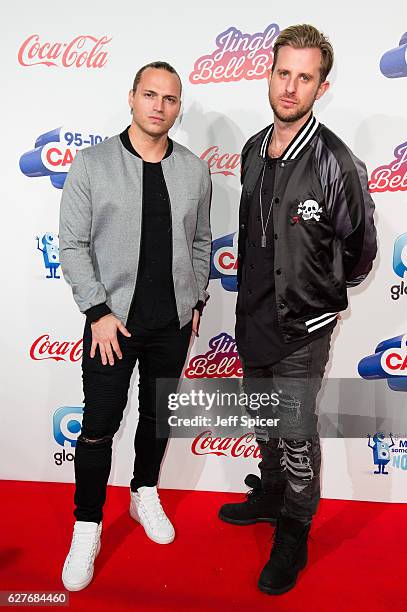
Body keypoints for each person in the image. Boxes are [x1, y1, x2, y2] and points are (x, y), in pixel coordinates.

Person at [219, 24, 377, 595]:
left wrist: (320, 296)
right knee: (265, 417)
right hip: (252, 314)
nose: (291, 87)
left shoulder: (338, 161)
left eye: (304, 78)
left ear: (321, 86)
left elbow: (361, 252)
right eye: (283, 73)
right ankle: (269, 493)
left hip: (303, 326)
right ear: (270, 74)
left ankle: (296, 526)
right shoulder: (252, 148)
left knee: (294, 429)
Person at [59, 61, 211, 591]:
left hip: (171, 322)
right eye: (150, 95)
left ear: (177, 107)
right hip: (111, 325)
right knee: (99, 425)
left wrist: (197, 300)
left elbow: (199, 242)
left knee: (156, 418)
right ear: (131, 98)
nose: (159, 106)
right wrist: (97, 311)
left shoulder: (195, 170)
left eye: (170, 99)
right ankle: (88, 523)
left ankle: (144, 490)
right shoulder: (92, 164)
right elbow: (73, 246)